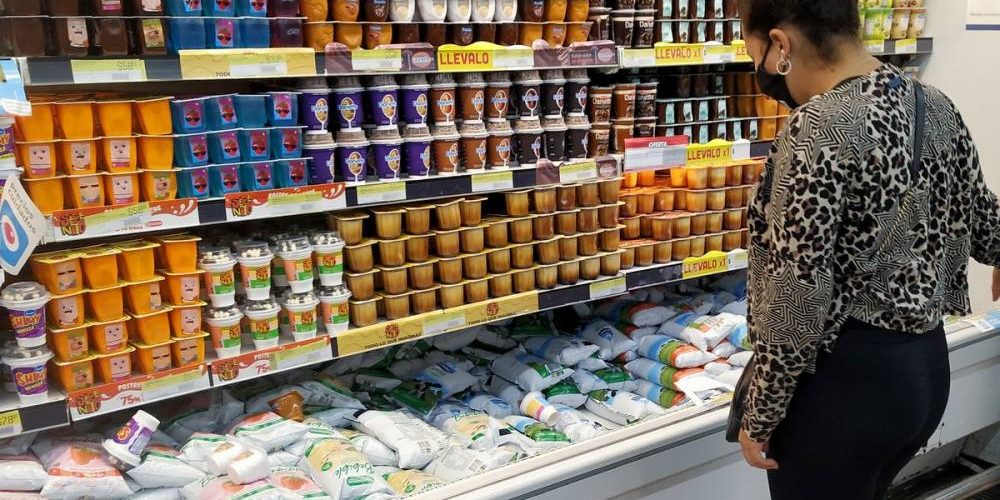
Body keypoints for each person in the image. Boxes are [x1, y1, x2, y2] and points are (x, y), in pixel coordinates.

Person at [735, 1, 1000, 499]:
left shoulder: (818, 125)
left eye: (756, 55)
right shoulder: (932, 102)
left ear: (781, 45)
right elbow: (983, 217)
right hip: (924, 369)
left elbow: (799, 290)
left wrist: (762, 410)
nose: (762, 71)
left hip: (844, 383)